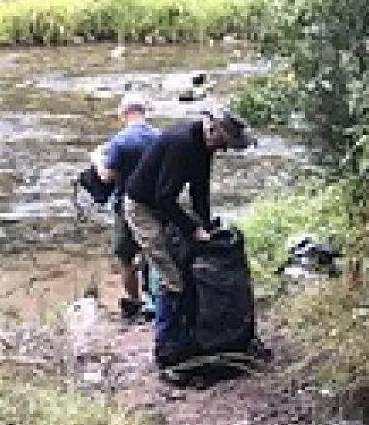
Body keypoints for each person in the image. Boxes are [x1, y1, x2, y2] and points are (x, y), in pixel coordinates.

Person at [121, 107, 254, 365]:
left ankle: (188, 334)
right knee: (172, 278)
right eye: (223, 143)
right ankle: (166, 348)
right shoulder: (182, 144)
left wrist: (206, 225)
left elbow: (199, 190)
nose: (224, 149)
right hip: (142, 208)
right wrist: (193, 230)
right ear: (212, 130)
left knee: (185, 266)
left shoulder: (204, 146)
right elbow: (164, 196)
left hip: (161, 205)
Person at [91, 93, 160, 323]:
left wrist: (97, 158)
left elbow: (106, 176)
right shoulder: (159, 137)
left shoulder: (119, 141)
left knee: (125, 256)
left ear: (123, 113)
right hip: (156, 205)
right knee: (154, 253)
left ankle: (135, 302)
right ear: (144, 112)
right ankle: (155, 300)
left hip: (126, 206)